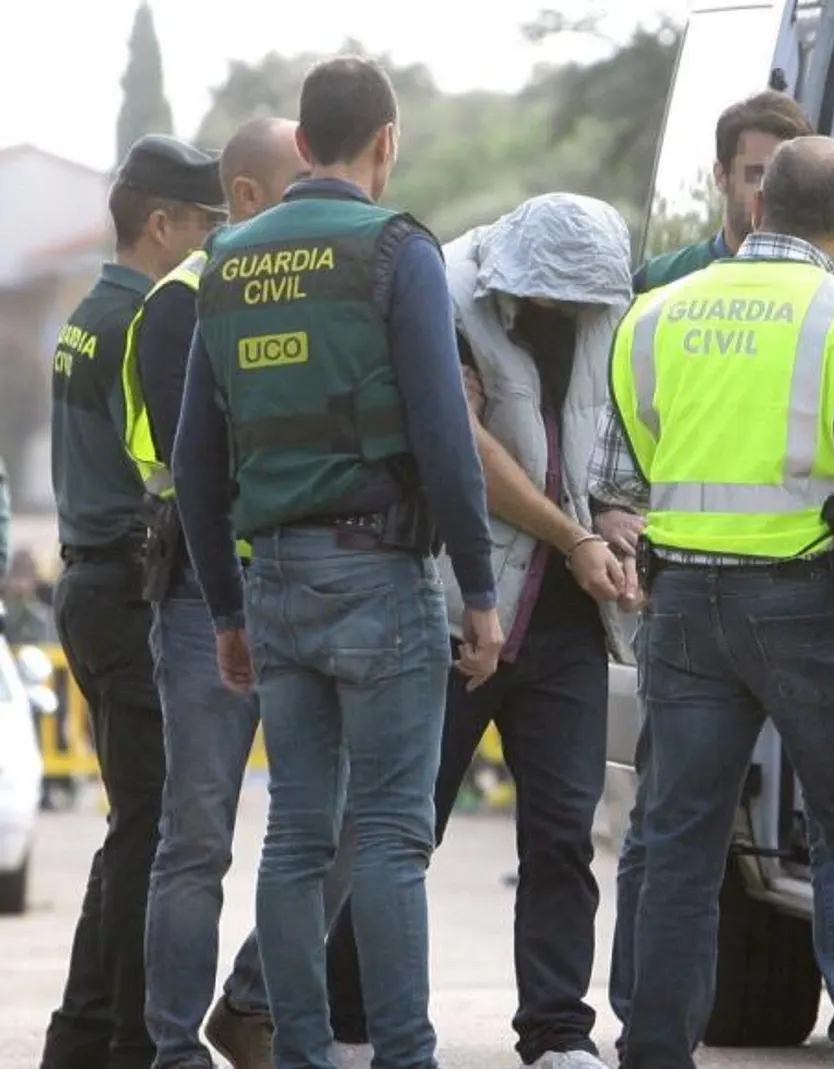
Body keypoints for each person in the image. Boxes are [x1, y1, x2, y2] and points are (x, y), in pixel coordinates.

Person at [593, 135, 834, 1069]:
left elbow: (611, 476)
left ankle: (653, 1053)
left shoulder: (657, 313)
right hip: (803, 608)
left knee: (679, 843)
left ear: (759, 209)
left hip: (680, 609)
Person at [172, 55, 501, 1069]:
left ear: (303, 144)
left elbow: (194, 457)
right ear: (385, 143)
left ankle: (303, 1056)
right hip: (379, 579)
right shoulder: (395, 250)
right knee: (395, 837)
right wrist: (481, 590)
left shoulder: (225, 260)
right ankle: (404, 1056)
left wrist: (227, 609)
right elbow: (447, 438)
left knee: (296, 837)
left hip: (272, 581)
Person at [324, 192, 634, 1069]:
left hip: (568, 614)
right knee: (403, 824)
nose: (566, 315)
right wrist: (572, 533)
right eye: (551, 299)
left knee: (564, 828)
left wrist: (613, 516)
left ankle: (557, 1033)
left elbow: (605, 442)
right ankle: (348, 1015)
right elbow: (459, 449)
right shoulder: (449, 292)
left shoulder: (608, 306)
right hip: (461, 598)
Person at [126, 116, 365, 1069]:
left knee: (346, 823)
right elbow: (196, 462)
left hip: (305, 584)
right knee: (198, 837)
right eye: (299, 183)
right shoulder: (186, 301)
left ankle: (254, 1001)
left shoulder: (305, 289)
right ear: (248, 197)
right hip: (204, 592)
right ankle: (174, 1050)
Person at [41, 133, 226, 1069]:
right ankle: (117, 1041)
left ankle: (82, 1037)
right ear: (163, 223)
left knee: (137, 824)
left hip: (91, 580)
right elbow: (170, 469)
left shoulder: (88, 311)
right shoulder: (141, 321)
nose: (211, 243)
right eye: (205, 224)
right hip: (122, 588)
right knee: (152, 831)